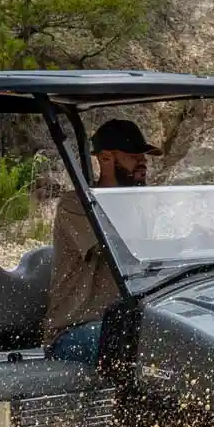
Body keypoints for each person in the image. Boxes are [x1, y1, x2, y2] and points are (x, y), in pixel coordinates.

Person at [44, 117, 154, 363]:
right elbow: (119, 250)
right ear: (106, 159)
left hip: (122, 323)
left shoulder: (138, 207)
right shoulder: (76, 205)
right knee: (140, 341)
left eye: (144, 156)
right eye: (133, 155)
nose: (143, 161)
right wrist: (181, 244)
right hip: (74, 331)